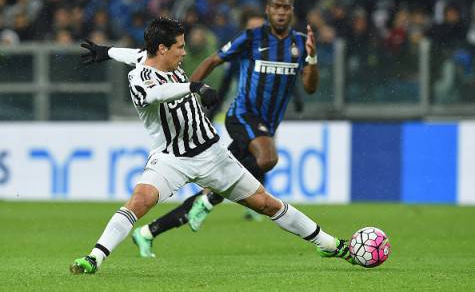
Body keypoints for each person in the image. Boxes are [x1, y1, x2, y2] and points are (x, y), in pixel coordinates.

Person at [70, 16, 355, 274]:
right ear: (161, 50)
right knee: (140, 201)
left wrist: (106, 52)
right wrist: (194, 86)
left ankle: (331, 245)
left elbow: (132, 53)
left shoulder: (150, 55)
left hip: (214, 154)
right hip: (172, 159)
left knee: (267, 204)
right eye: (179, 47)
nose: (184, 53)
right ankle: (94, 258)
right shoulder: (140, 79)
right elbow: (157, 94)